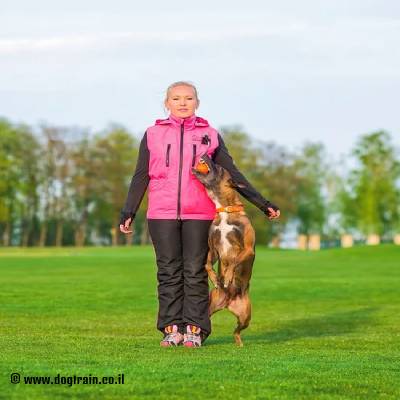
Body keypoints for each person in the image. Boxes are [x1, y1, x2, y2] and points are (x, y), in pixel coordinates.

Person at [119, 81, 280, 348]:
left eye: (188, 98)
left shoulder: (210, 135)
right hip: (161, 213)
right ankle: (171, 328)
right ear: (167, 103)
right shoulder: (153, 134)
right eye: (176, 98)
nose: (182, 103)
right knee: (168, 271)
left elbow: (232, 174)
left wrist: (262, 203)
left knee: (195, 270)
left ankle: (195, 328)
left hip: (201, 213)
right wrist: (129, 211)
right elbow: (140, 175)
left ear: (197, 102)